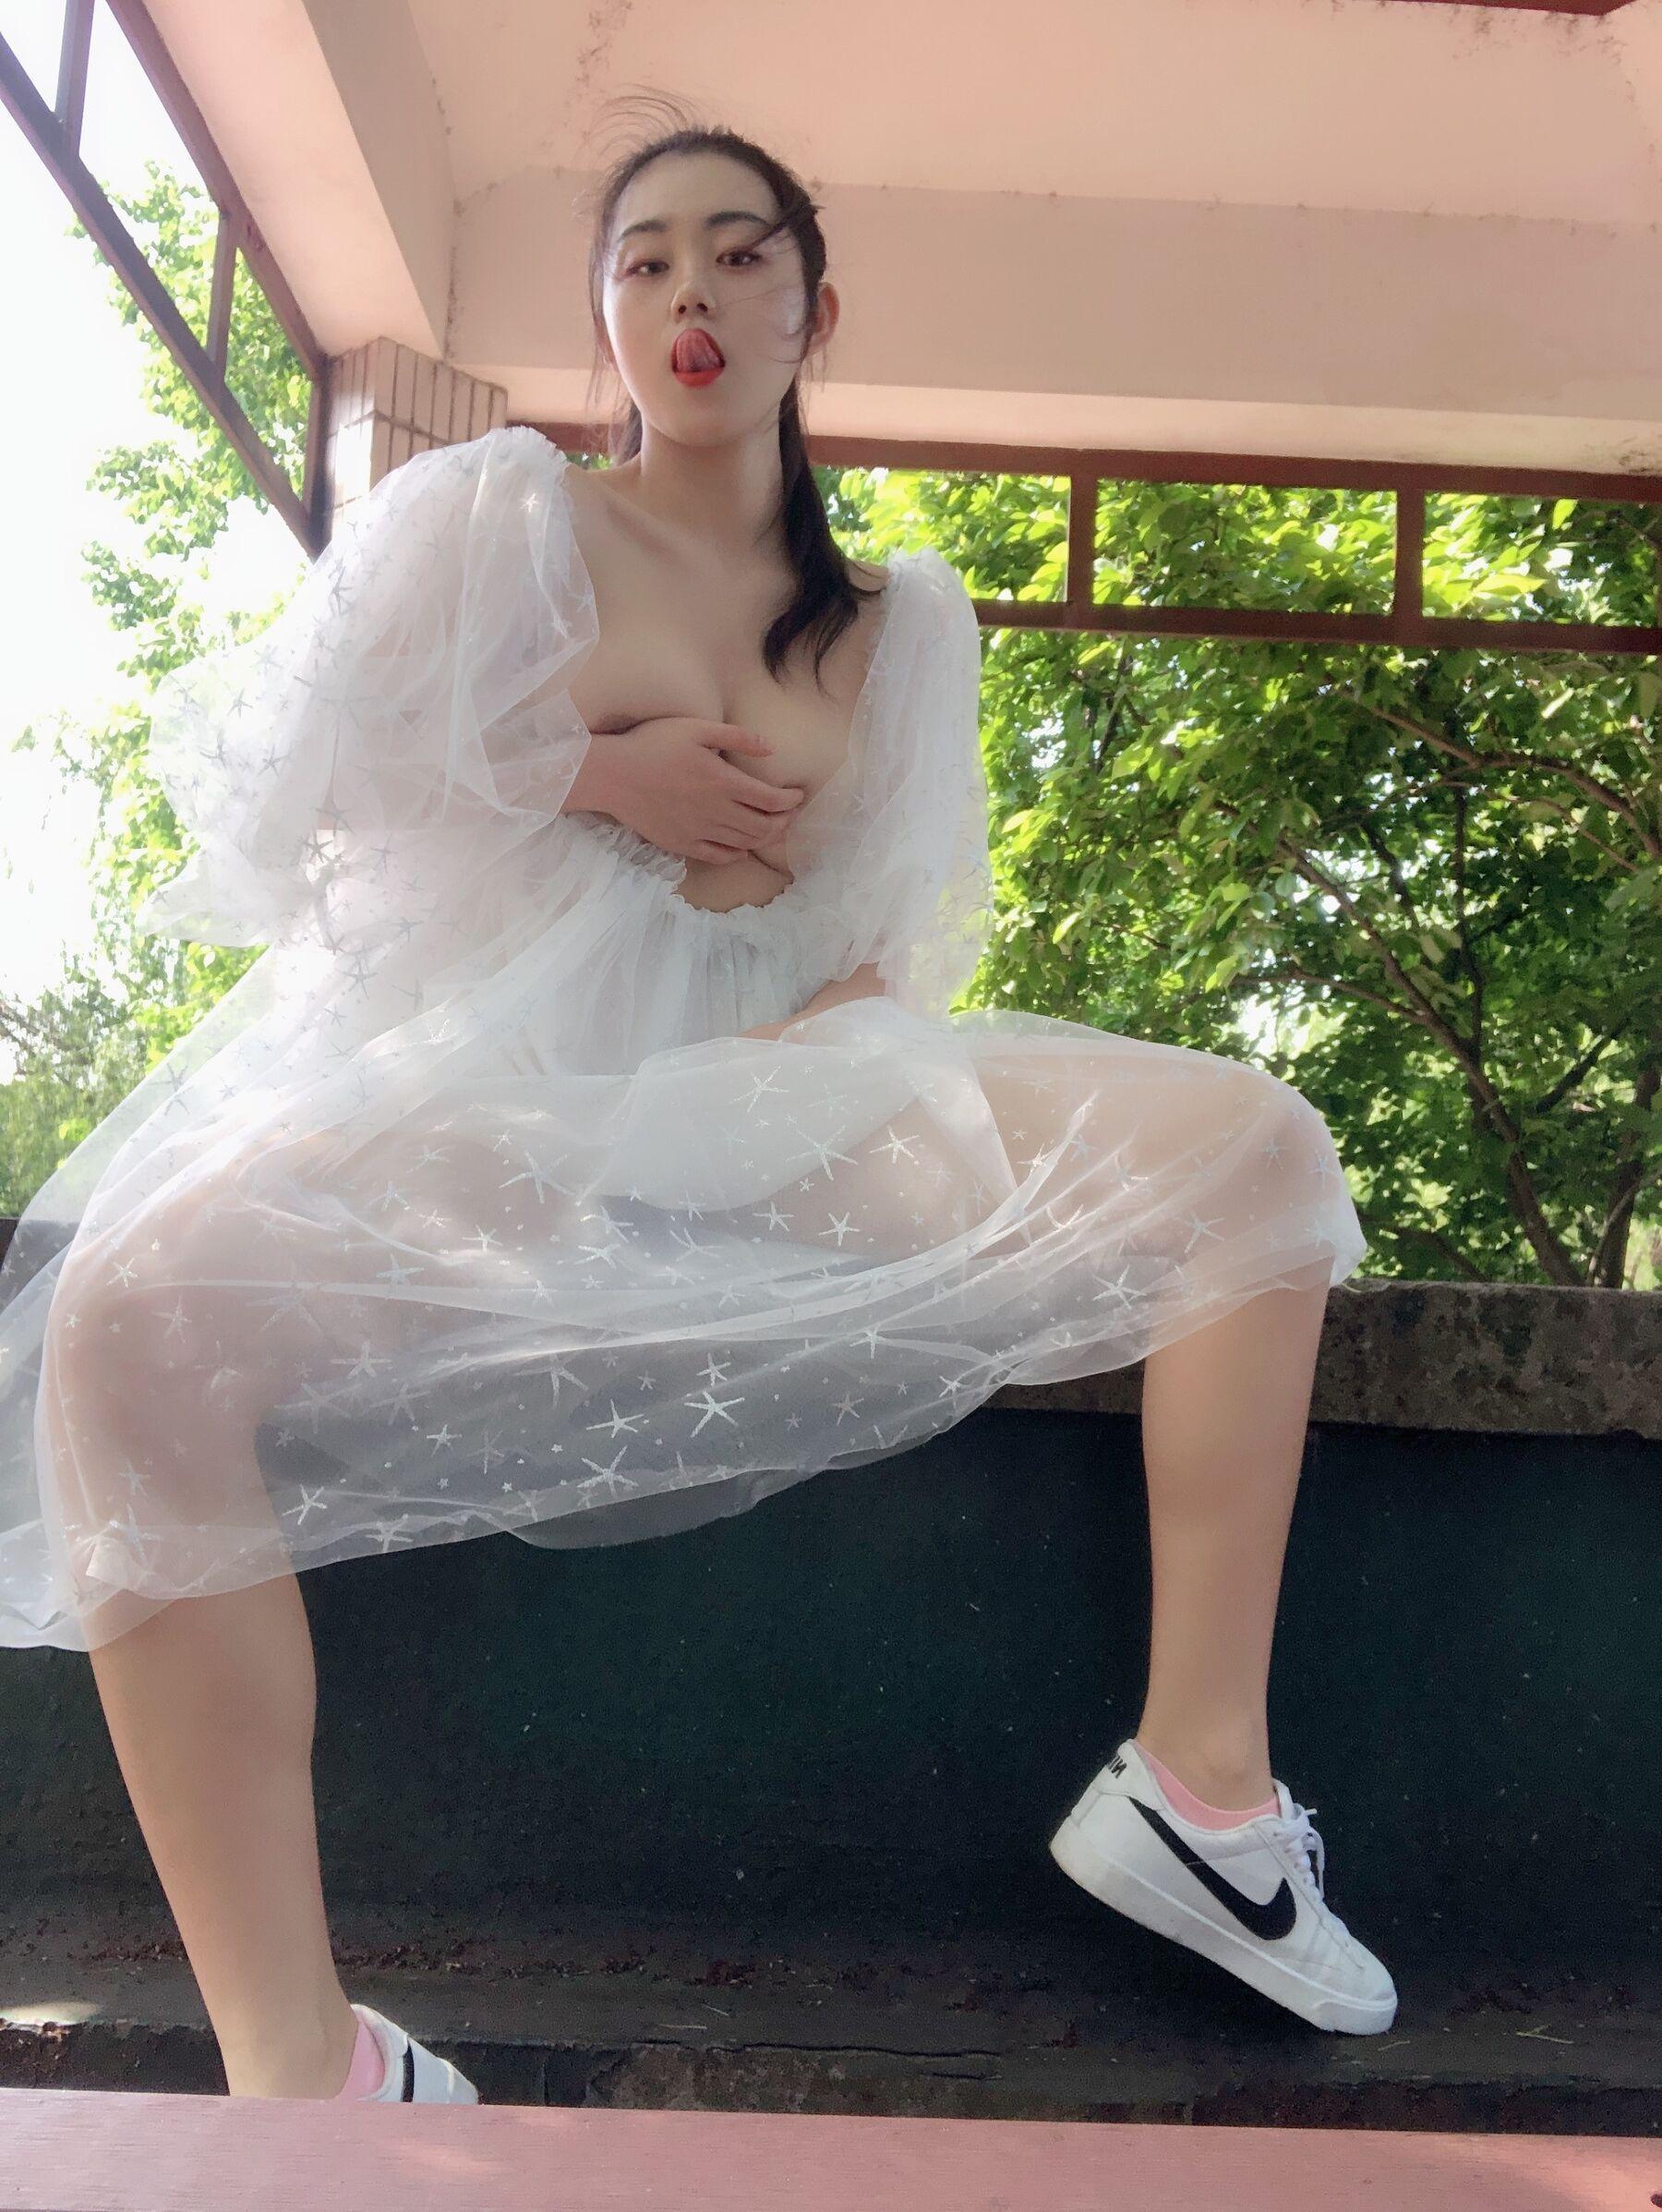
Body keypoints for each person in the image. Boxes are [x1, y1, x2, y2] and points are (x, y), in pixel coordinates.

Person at [0, 123, 1392, 2101]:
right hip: (525, 1085)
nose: (691, 297)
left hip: (795, 1087)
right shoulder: (504, 517)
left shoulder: (905, 621)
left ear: (817, 309)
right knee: (135, 1317)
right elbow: (272, 788)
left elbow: (888, 954)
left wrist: (830, 1068)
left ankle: (1203, 1796)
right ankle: (306, 2065)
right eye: (645, 262)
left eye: (740, 256)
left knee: (1258, 1148)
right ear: (605, 316)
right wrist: (589, 774)